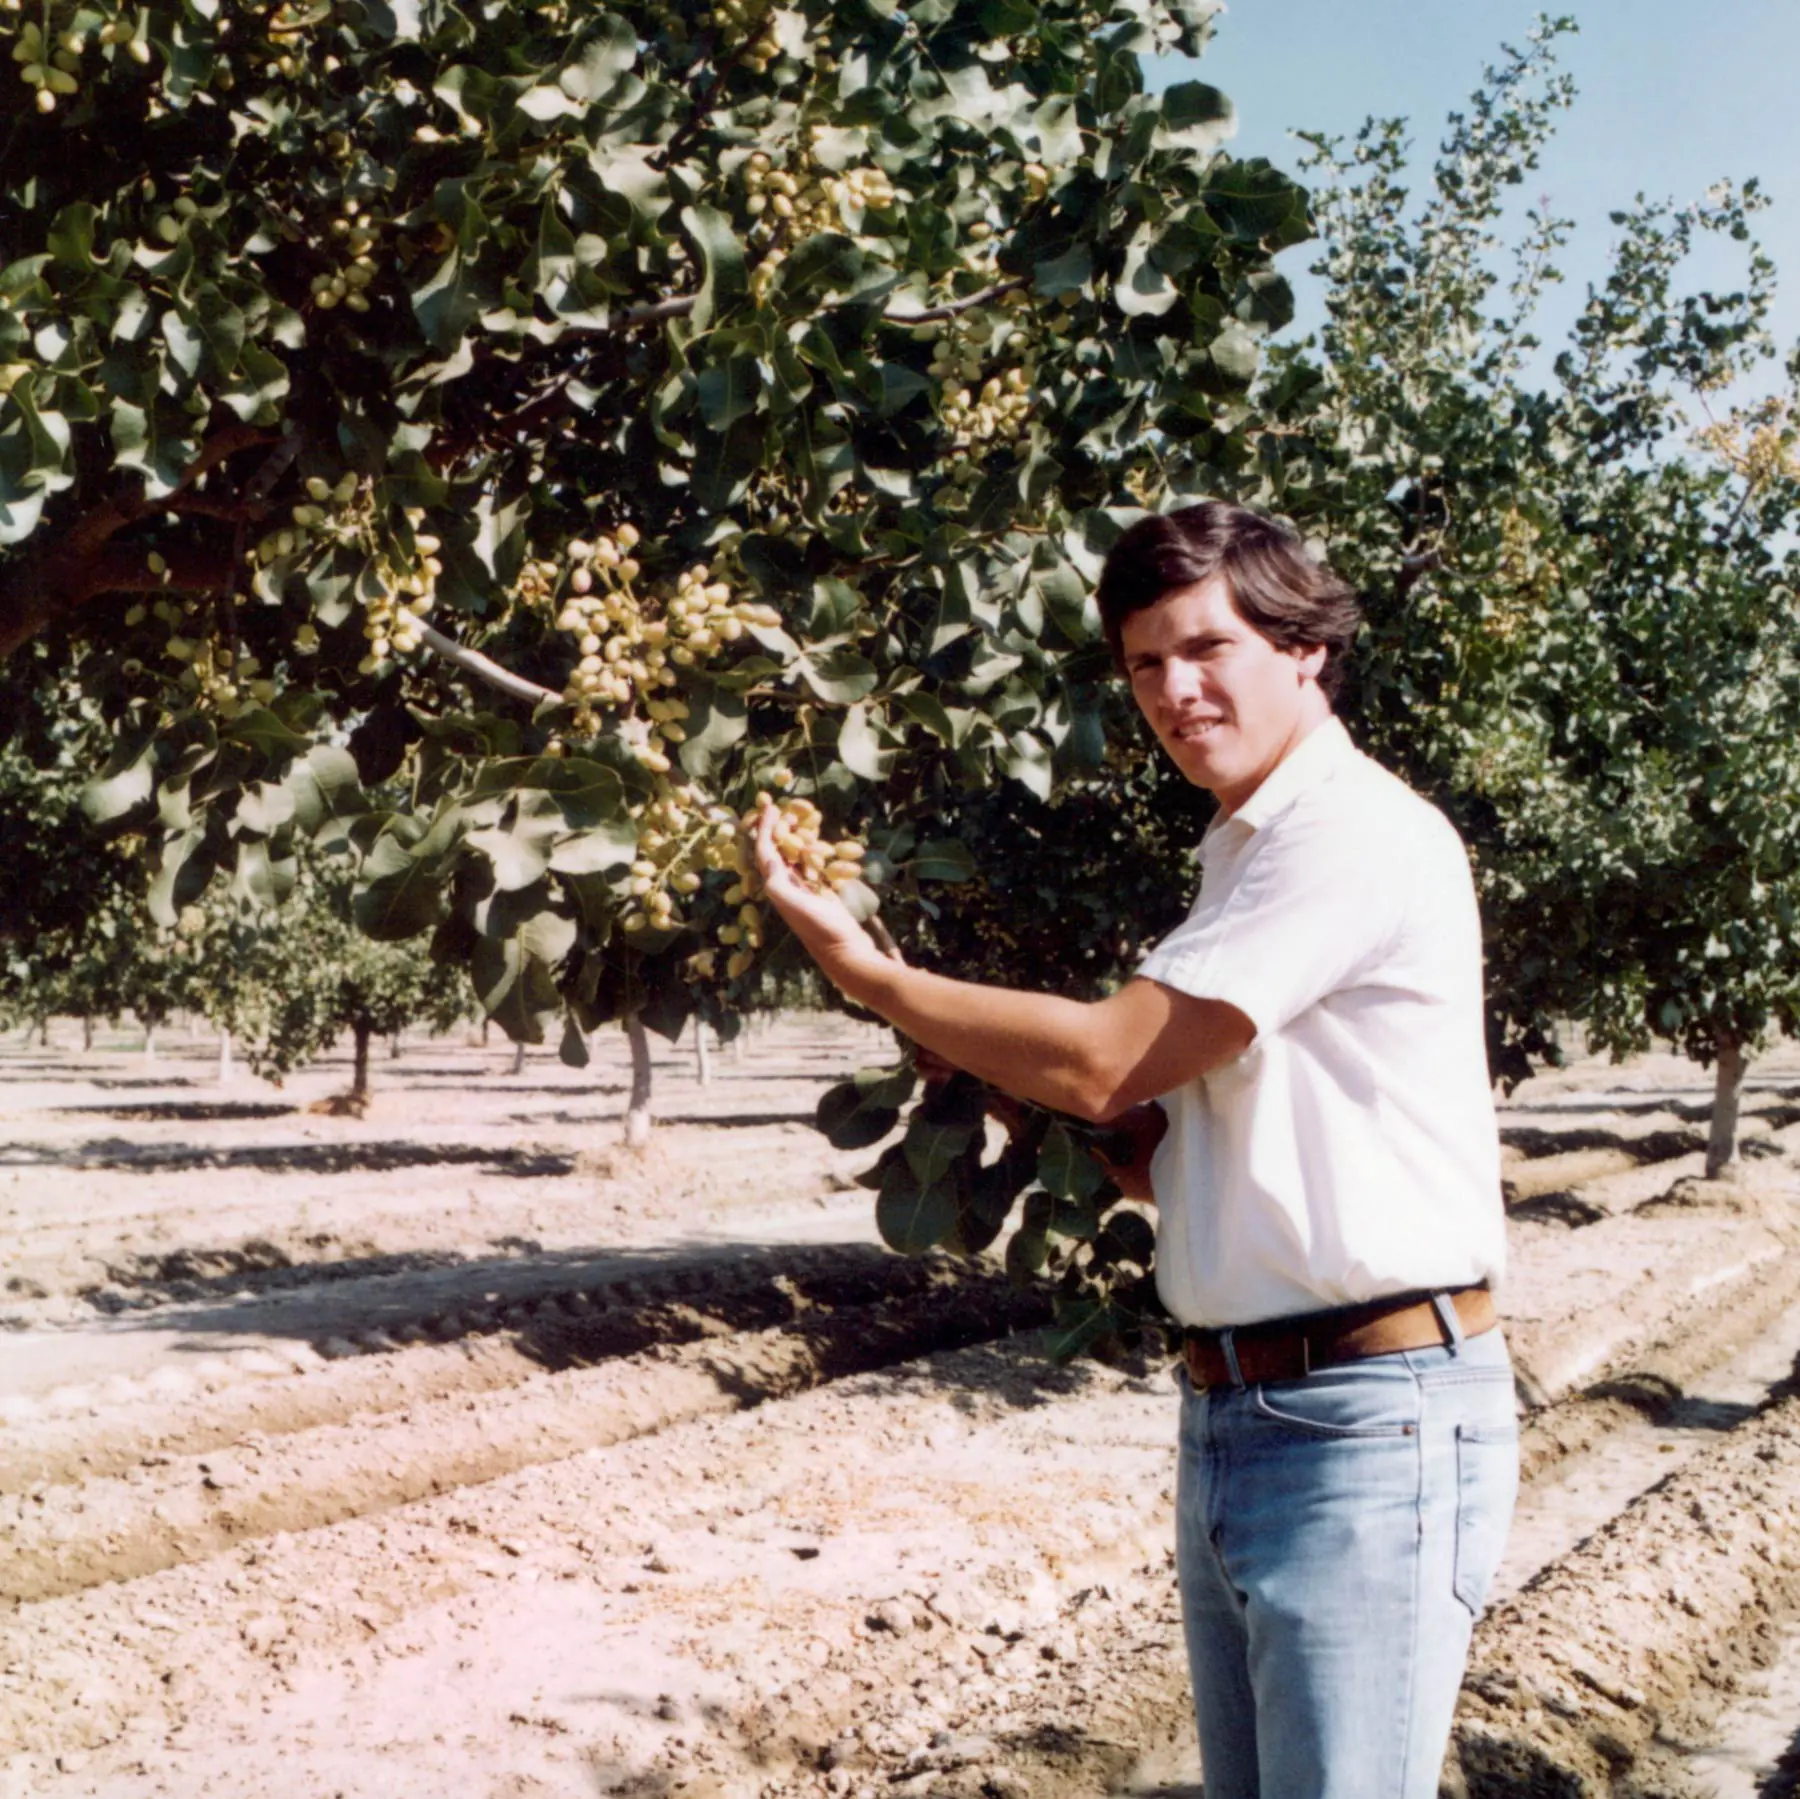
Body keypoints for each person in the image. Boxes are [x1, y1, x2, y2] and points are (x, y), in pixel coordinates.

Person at [753, 500, 1515, 1799]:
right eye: (1146, 661)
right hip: (1247, 1411)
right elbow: (1167, 1151)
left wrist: (874, 976)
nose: (1175, 687)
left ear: (1303, 650)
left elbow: (1106, 1056)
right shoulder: (1243, 848)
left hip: (1366, 1425)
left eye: (1207, 647)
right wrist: (1011, 1079)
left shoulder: (1348, 835)